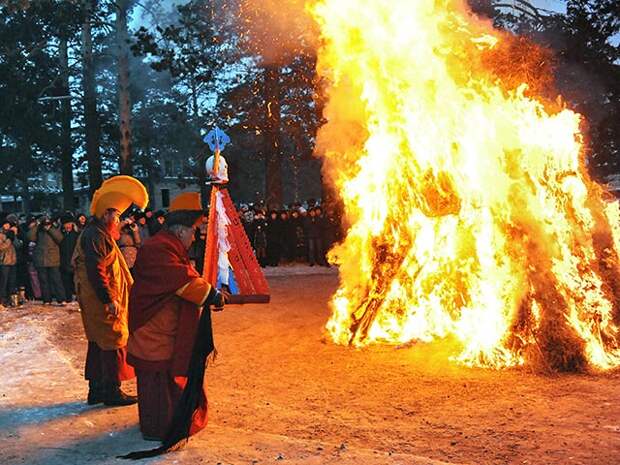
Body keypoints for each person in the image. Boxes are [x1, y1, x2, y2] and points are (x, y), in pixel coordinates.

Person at [128, 192, 227, 441]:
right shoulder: (158, 248)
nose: (195, 237)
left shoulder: (166, 245)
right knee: (160, 380)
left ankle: (169, 419)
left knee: (165, 378)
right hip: (153, 327)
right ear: (181, 230)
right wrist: (212, 295)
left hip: (160, 326)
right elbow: (182, 280)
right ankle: (162, 426)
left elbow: (185, 275)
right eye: (194, 230)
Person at [72, 175, 149, 406]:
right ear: (106, 214)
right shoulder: (96, 235)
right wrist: (108, 299)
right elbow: (97, 270)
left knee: (97, 342)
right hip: (101, 299)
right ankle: (112, 392)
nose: (118, 221)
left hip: (94, 298)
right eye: (116, 216)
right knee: (113, 341)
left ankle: (96, 391)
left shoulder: (97, 232)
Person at [28, 216, 67, 305]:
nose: (46, 226)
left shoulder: (54, 229)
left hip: (53, 259)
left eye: (48, 224)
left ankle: (61, 299)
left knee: (57, 280)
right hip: (41, 259)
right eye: (45, 224)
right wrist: (37, 226)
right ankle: (46, 299)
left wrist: (50, 229)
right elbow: (30, 237)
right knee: (43, 281)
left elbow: (60, 238)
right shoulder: (38, 231)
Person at [0, 224, 22, 307]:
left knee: (12, 282)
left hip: (13, 261)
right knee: (3, 282)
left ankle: (11, 300)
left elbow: (19, 246)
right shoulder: (1, 235)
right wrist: (9, 239)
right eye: (6, 224)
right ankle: (3, 300)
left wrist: (14, 236)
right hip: (4, 262)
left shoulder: (11, 235)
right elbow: (2, 247)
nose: (7, 226)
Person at [60, 213, 79, 301]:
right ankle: (68, 296)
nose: (67, 226)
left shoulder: (77, 234)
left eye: (69, 223)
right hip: (63, 260)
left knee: (75, 280)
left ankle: (76, 295)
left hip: (74, 260)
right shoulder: (60, 234)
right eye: (65, 224)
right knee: (66, 280)